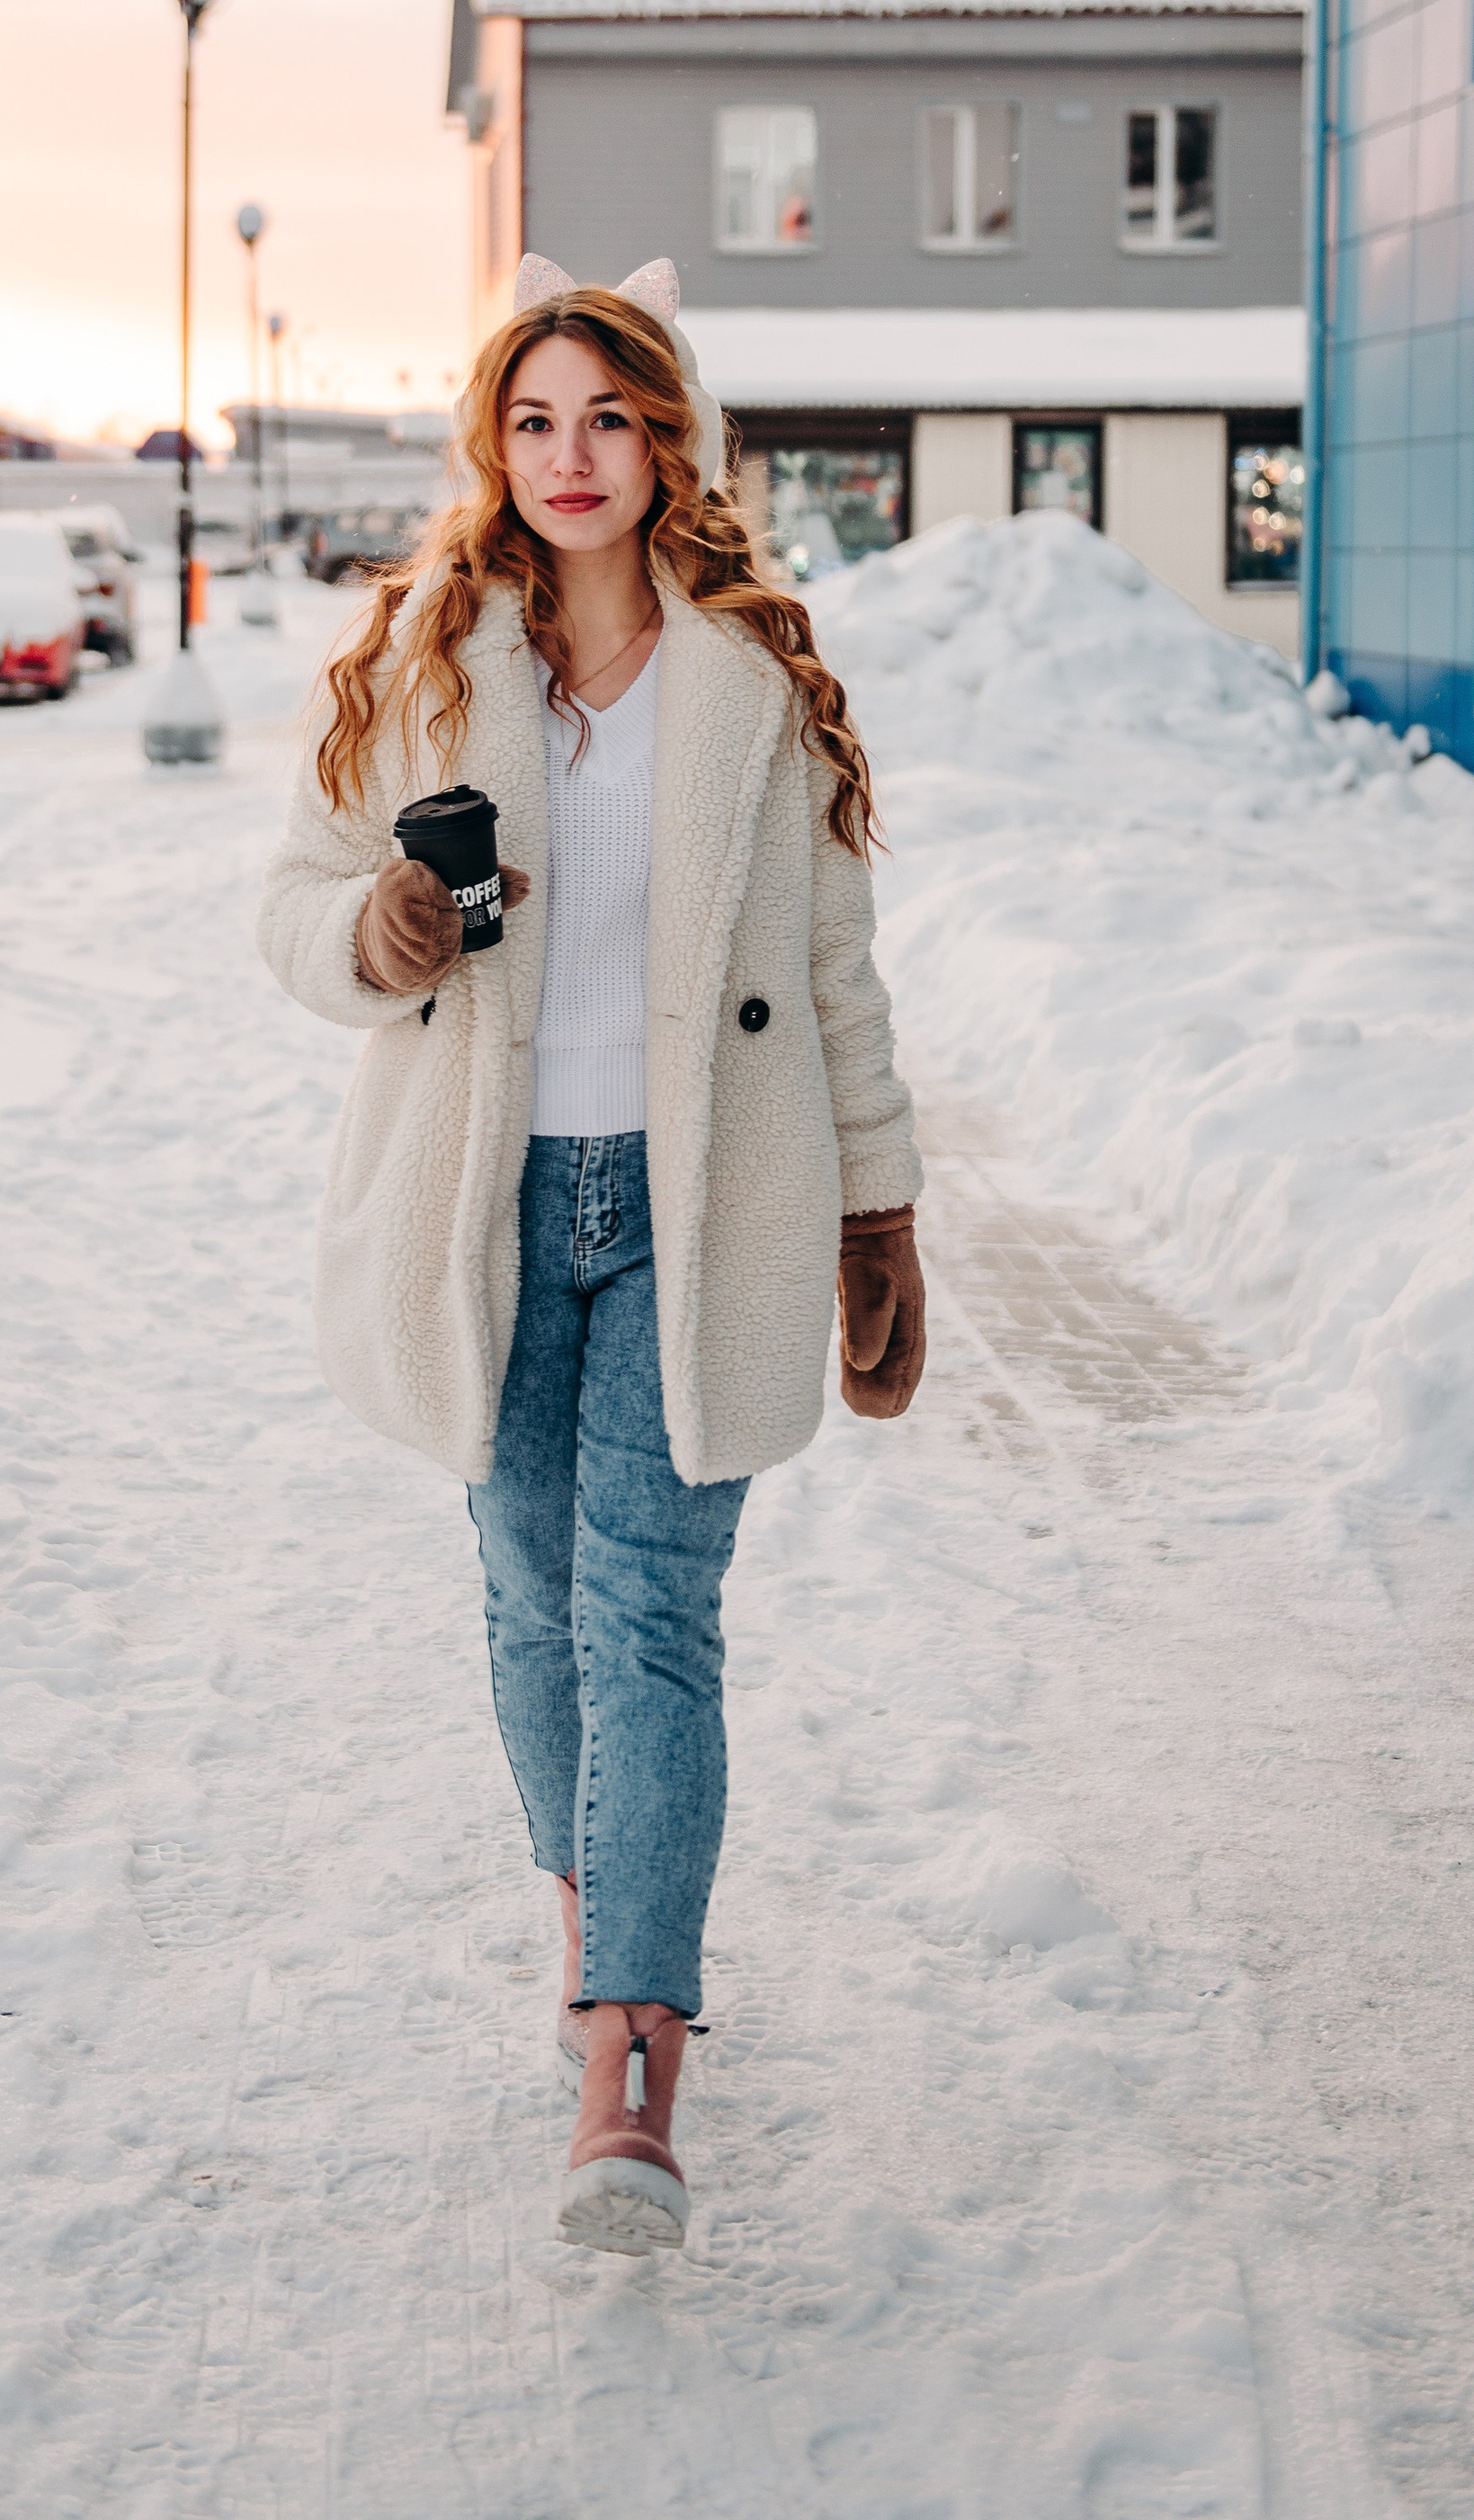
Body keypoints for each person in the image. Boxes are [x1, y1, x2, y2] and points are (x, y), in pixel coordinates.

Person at [257, 254, 925, 2256]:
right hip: (482, 1205)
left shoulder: (758, 684)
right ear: (496, 443)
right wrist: (379, 929)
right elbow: (291, 910)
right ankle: (598, 1903)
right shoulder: (420, 666)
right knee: (524, 1601)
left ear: (668, 443)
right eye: (535, 419)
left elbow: (833, 975)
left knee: (645, 1613)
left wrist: (877, 1218)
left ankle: (630, 2039)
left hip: (698, 1203)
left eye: (609, 417)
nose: (572, 455)